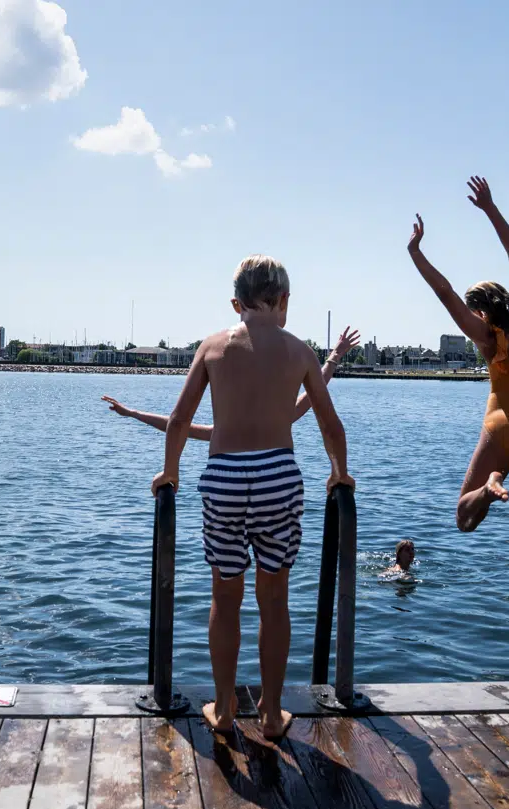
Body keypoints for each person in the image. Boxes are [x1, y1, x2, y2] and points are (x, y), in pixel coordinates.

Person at [154, 255, 352, 739]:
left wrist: (171, 471)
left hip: (223, 477)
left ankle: (223, 709)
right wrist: (339, 473)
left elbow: (180, 420)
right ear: (284, 301)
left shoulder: (213, 347)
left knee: (225, 595)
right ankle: (268, 713)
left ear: (235, 303)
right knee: (275, 599)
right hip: (276, 476)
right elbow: (329, 423)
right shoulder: (299, 351)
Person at [407, 177, 509, 542]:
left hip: (502, 428)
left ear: (481, 313)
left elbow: (444, 292)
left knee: (464, 519)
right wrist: (489, 208)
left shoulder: (489, 340)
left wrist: (416, 252)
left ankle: (489, 487)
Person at [102, 327, 361, 438]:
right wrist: (334, 357)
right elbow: (317, 390)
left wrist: (133, 413)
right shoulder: (281, 418)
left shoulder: (226, 433)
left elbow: (178, 425)